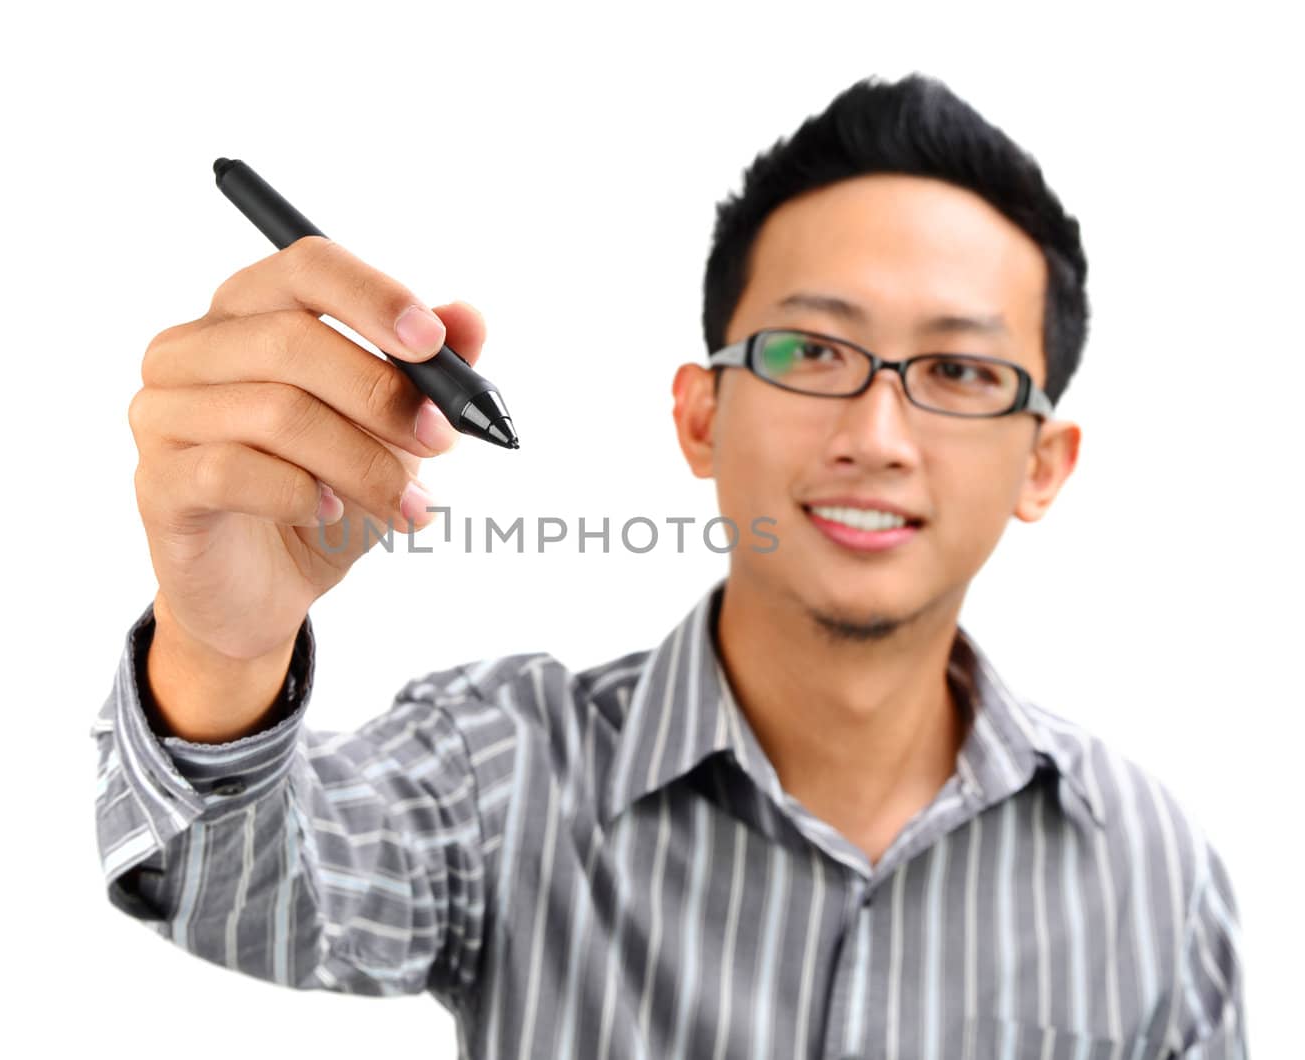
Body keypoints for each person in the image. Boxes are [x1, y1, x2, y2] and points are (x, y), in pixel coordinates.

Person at [92, 73, 1245, 1058]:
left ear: (1043, 464)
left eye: (958, 374)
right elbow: (235, 892)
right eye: (810, 349)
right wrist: (221, 649)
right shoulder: (506, 773)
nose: (878, 436)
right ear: (700, 417)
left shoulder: (1151, 874)